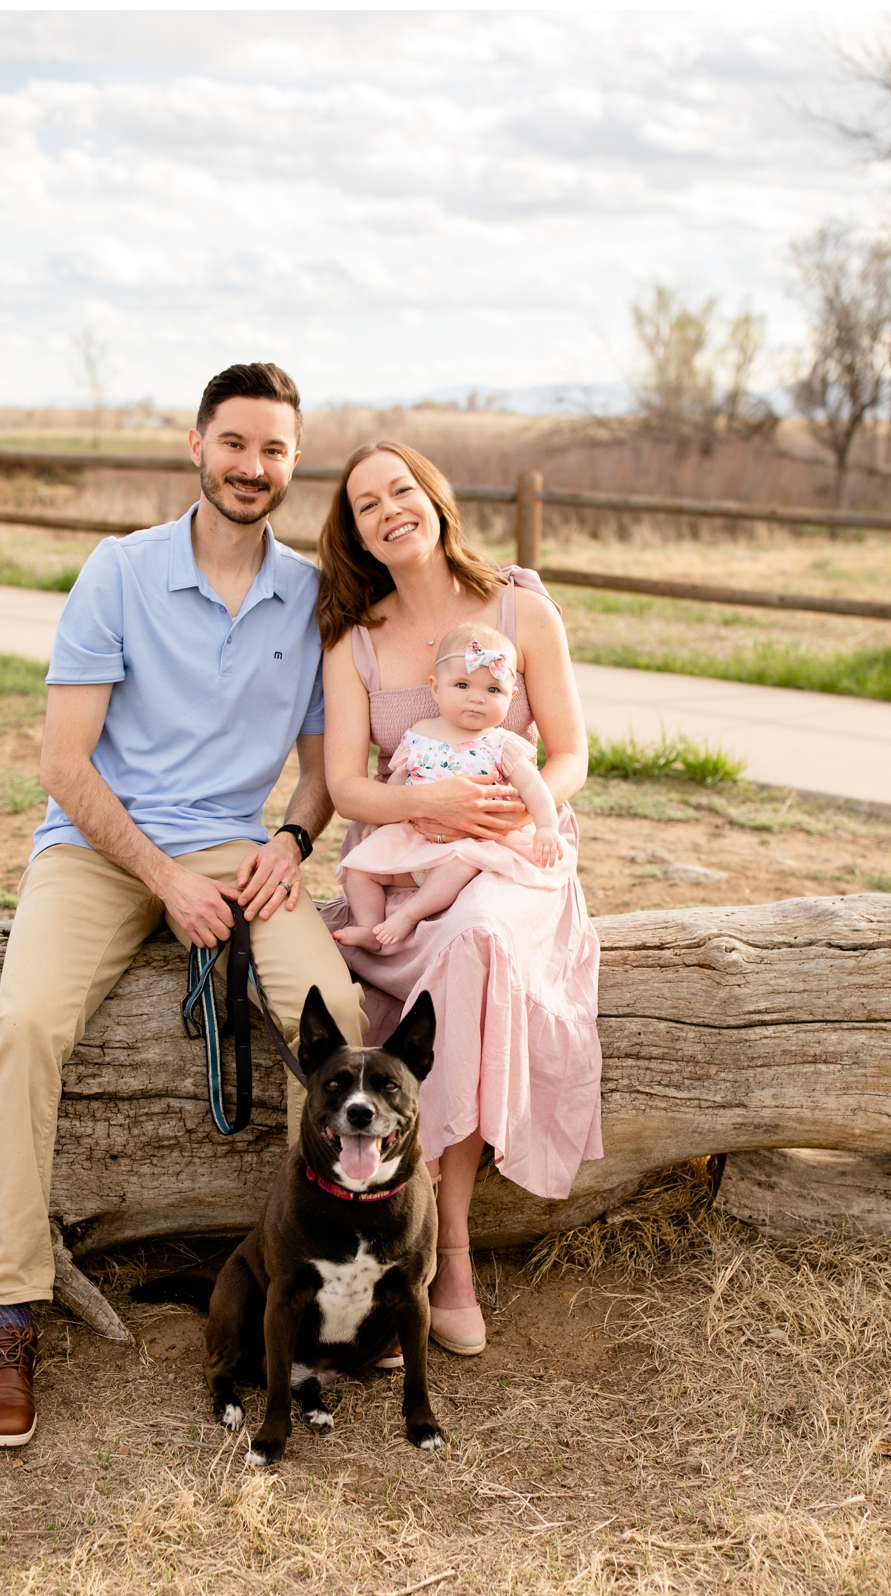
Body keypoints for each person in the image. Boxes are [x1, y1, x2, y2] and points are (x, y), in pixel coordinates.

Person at [0, 361, 365, 1449]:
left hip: (241, 850)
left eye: (274, 449)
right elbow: (63, 760)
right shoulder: (120, 572)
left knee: (340, 1029)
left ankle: (319, 1288)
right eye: (235, 443)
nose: (253, 466)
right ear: (197, 446)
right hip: (99, 846)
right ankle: (7, 1309)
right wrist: (165, 879)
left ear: (293, 462)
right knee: (25, 1029)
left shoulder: (307, 596)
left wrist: (290, 838)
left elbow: (322, 769)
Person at [317, 441, 604, 1357]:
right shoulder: (354, 636)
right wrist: (425, 805)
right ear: (355, 532)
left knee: (474, 945)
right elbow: (345, 787)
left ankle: (449, 1250)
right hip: (402, 860)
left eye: (402, 488)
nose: (389, 509)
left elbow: (569, 754)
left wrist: (506, 817)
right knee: (396, 965)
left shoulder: (521, 606)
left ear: (434, 496)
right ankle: (399, 1246)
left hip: (509, 863)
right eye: (367, 505)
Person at [334, 621, 568, 952]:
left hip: (470, 842)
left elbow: (534, 788)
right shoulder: (418, 735)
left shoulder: (501, 743)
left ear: (511, 696)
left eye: (492, 690)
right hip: (414, 837)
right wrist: (379, 818)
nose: (476, 699)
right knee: (359, 867)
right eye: (462, 685)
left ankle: (408, 917)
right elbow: (399, 783)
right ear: (435, 687)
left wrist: (546, 827)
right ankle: (369, 928)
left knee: (461, 862)